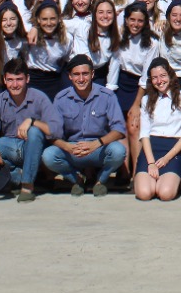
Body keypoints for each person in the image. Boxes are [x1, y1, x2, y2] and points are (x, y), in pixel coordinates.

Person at [42, 54, 129, 196]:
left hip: (98, 148)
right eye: (76, 74)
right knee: (48, 156)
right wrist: (67, 147)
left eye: (85, 74)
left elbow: (119, 129)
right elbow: (52, 134)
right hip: (73, 149)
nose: (81, 79)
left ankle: (100, 181)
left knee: (119, 151)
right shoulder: (61, 98)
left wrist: (96, 144)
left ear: (92, 74)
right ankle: (77, 180)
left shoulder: (107, 96)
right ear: (70, 76)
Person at [0, 58, 61, 202]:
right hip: (10, 147)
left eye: (19, 79)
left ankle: (27, 186)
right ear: (4, 80)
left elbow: (57, 130)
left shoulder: (39, 98)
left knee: (34, 131)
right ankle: (17, 175)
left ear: (27, 79)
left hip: (35, 148)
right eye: (10, 80)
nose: (14, 85)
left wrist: (33, 121)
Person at [135, 57, 181, 201]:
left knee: (165, 194)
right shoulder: (146, 100)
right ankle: (156, 177)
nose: (159, 81)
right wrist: (151, 163)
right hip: (151, 149)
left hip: (173, 149)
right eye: (155, 78)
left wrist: (166, 158)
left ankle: (176, 178)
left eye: (163, 76)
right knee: (144, 193)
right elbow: (144, 134)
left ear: (170, 75)